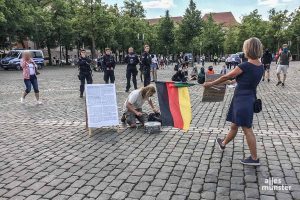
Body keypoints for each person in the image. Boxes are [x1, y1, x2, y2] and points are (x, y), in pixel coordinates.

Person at [204, 37, 264, 166]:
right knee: (234, 125)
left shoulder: (245, 65)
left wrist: (211, 84)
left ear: (249, 49)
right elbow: (235, 79)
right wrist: (229, 81)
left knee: (247, 129)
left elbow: (227, 76)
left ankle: (254, 158)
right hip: (248, 98)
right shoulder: (260, 66)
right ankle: (223, 143)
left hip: (242, 99)